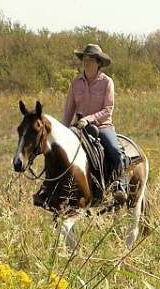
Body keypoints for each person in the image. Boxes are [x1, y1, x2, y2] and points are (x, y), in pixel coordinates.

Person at [64, 44, 127, 203]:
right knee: (58, 152)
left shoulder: (107, 82)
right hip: (79, 128)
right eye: (85, 59)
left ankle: (120, 184)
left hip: (102, 126)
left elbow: (108, 109)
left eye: (91, 60)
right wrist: (63, 130)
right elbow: (68, 111)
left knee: (115, 151)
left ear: (98, 62)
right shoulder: (75, 83)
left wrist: (89, 119)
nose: (87, 62)